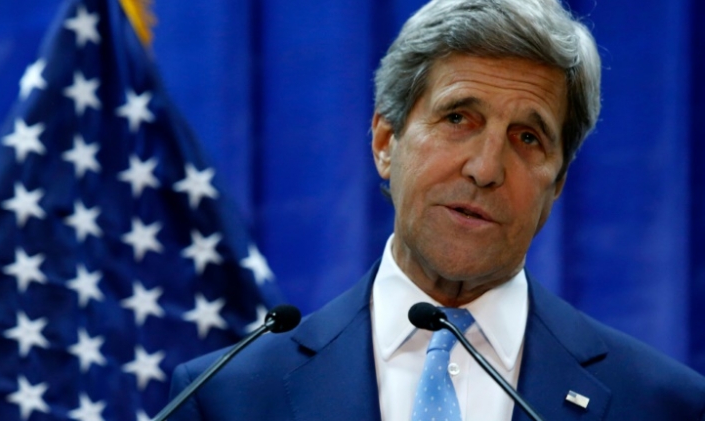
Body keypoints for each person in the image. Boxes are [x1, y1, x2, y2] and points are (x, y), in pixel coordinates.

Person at [168, 0, 705, 419]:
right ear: (386, 141)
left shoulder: (664, 405)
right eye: (458, 119)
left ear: (557, 183)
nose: (486, 168)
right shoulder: (226, 399)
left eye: (527, 137)